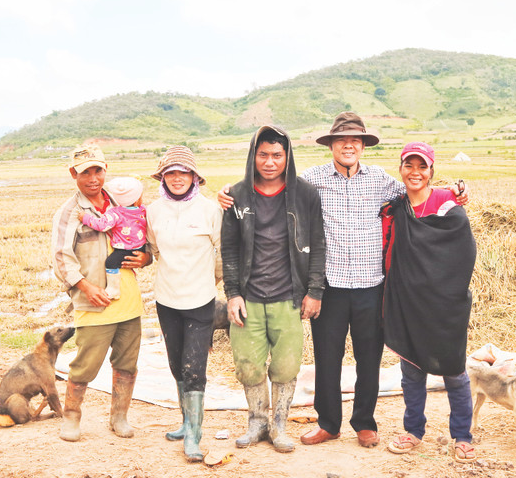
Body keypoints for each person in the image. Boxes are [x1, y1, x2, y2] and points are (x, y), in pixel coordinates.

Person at [218, 111, 467, 449]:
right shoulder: (310, 180)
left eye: (355, 140)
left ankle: (364, 423)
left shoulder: (381, 180)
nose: (348, 145)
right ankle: (329, 423)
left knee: (368, 360)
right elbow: (268, 183)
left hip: (372, 285)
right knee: (327, 358)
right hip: (328, 287)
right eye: (341, 140)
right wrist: (230, 194)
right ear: (331, 145)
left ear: (363, 146)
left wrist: (451, 193)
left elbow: (415, 189)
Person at [221, 125, 326, 453]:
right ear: (253, 157)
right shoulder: (237, 195)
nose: (269, 162)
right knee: (248, 363)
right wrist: (232, 293)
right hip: (249, 298)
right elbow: (229, 249)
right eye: (263, 154)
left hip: (289, 297)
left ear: (287, 156)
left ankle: (279, 423)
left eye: (276, 155)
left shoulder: (305, 195)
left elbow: (319, 244)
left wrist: (315, 290)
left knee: (286, 364)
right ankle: (256, 421)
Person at [380, 142, 477, 463]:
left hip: (445, 305)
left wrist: (447, 291)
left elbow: (462, 250)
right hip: (409, 303)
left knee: (454, 371)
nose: (415, 172)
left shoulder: (447, 203)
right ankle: (414, 431)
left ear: (431, 171)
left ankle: (462, 436)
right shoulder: (395, 207)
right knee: (411, 370)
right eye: (409, 166)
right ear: (401, 170)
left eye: (422, 167)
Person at [51, 144, 150, 442]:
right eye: (85, 172)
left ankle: (119, 417)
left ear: (105, 170)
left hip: (129, 300)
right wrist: (85, 286)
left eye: (98, 170)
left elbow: (145, 241)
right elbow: (61, 257)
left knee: (127, 363)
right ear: (73, 174)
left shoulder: (123, 201)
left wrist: (146, 258)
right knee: (85, 364)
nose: (93, 178)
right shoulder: (70, 212)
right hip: (94, 302)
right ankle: (71, 417)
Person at [146, 145, 222, 462]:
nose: (178, 178)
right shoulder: (153, 211)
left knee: (194, 369)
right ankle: (185, 421)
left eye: (183, 172)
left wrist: (206, 281)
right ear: (163, 178)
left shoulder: (210, 210)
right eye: (171, 173)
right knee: (177, 365)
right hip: (166, 300)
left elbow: (220, 256)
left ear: (195, 177)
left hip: (201, 301)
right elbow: (153, 249)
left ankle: (194, 435)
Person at [78, 176, 146, 300]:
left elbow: (102, 225)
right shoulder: (142, 210)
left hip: (125, 249)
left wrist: (86, 218)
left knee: (110, 263)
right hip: (141, 247)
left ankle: (114, 289)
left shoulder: (115, 213)